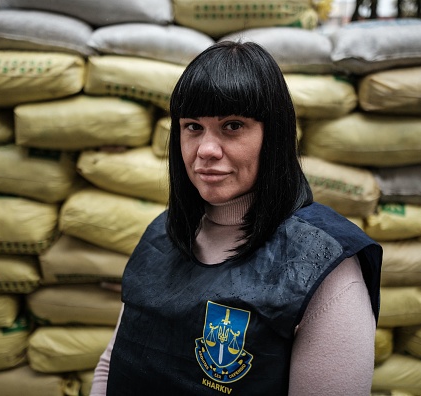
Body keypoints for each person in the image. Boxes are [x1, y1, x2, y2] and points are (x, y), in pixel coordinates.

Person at [90, 41, 382, 396]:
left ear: (272, 136)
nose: (206, 150)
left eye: (232, 125)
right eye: (193, 127)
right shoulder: (162, 235)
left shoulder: (323, 267)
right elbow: (111, 365)